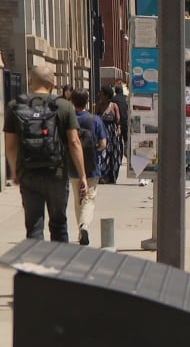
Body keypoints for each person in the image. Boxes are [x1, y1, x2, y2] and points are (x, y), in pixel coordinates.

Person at [3, 64, 87, 242]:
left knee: (33, 227)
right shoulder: (64, 106)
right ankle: (59, 266)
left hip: (29, 173)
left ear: (30, 81)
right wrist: (82, 175)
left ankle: (37, 268)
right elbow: (74, 142)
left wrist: (14, 171)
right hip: (57, 173)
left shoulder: (14, 106)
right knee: (58, 225)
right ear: (53, 83)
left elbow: (10, 145)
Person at [70, 88, 108, 245]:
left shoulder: (69, 119)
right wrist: (95, 150)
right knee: (89, 198)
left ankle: (80, 231)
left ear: (72, 101)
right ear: (87, 101)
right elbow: (103, 144)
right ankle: (84, 225)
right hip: (92, 166)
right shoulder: (95, 120)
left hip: (73, 166)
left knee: (78, 198)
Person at [95, 85, 122, 183]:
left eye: (102, 94)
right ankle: (102, 176)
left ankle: (111, 176)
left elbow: (118, 120)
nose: (100, 96)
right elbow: (95, 118)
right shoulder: (99, 105)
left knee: (113, 154)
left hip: (112, 133)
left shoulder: (114, 105)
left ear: (107, 95)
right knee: (102, 154)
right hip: (101, 133)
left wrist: (119, 128)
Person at [112, 83, 129, 155]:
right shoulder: (127, 98)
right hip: (126, 121)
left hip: (117, 122)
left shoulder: (113, 99)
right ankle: (127, 153)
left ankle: (120, 154)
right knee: (126, 140)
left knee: (119, 140)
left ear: (115, 91)